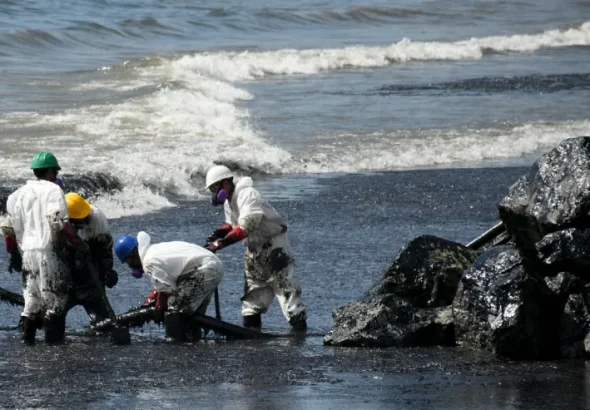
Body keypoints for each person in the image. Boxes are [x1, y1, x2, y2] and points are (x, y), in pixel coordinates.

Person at [204, 165, 307, 330]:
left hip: (274, 247)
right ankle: (252, 335)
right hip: (254, 250)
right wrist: (219, 233)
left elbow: (247, 225)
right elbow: (233, 225)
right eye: (212, 189)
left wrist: (221, 243)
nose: (215, 192)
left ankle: (299, 335)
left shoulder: (247, 194)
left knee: (286, 290)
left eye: (216, 187)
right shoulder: (228, 202)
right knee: (252, 298)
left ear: (226, 182)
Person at [4, 152, 85, 344]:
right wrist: (76, 243)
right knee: (54, 301)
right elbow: (57, 221)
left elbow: (7, 228)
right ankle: (53, 348)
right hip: (48, 252)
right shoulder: (53, 191)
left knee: (31, 301)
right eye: (55, 171)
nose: (56, 175)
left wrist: (13, 253)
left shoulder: (17, 195)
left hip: (27, 254)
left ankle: (28, 344)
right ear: (50, 171)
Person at [114, 231, 223, 342]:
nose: (130, 266)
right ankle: (192, 340)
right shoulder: (153, 250)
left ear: (131, 257)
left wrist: (159, 310)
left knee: (174, 310)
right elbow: (163, 284)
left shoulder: (148, 261)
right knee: (192, 313)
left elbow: (166, 290)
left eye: (128, 263)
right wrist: (150, 301)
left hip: (204, 270)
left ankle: (175, 344)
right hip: (210, 266)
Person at [63, 193, 121, 327]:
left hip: (93, 250)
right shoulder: (59, 220)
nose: (81, 223)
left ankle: (99, 319)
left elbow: (105, 247)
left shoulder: (97, 218)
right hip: (70, 255)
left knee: (99, 309)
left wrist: (108, 271)